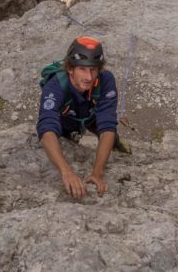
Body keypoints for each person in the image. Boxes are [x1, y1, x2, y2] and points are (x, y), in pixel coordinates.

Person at [36, 36, 129, 199]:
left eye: (93, 70)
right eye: (83, 69)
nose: (88, 77)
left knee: (111, 137)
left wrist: (97, 173)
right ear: (70, 68)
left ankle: (117, 145)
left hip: (91, 114)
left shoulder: (105, 80)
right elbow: (47, 128)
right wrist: (67, 172)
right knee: (66, 140)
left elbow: (107, 126)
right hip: (67, 119)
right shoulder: (56, 85)